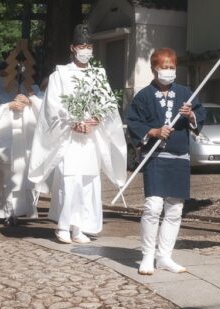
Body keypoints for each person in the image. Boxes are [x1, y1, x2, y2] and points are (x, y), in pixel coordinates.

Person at [30, 25, 126, 244]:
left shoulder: (98, 74)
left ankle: (79, 227)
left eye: (89, 46)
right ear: (73, 48)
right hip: (69, 138)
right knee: (69, 180)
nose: (86, 50)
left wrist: (98, 118)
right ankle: (63, 226)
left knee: (87, 182)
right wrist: (72, 123)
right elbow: (52, 106)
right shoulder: (60, 74)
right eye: (82, 46)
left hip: (90, 137)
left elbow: (108, 103)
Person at [125, 47, 206, 275]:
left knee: (175, 209)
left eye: (172, 67)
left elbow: (200, 117)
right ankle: (148, 255)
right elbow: (133, 122)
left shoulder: (185, 93)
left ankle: (165, 256)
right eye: (164, 67)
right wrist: (152, 131)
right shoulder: (143, 96)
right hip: (156, 158)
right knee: (153, 206)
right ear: (154, 69)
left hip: (180, 158)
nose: (168, 71)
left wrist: (191, 115)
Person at [0, 64, 45, 224]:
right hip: (4, 140)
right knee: (9, 177)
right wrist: (7, 106)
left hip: (25, 138)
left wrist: (30, 101)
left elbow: (43, 106)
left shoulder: (28, 88)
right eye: (1, 74)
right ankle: (9, 212)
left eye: (7, 74)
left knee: (24, 175)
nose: (4, 77)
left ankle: (27, 209)